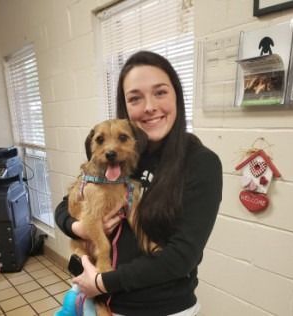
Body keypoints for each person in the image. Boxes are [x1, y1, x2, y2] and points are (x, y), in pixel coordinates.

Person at [55, 51, 222, 316]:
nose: (149, 107)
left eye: (160, 92)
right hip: (100, 299)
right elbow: (65, 207)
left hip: (157, 307)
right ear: (125, 106)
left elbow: (181, 257)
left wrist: (101, 282)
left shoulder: (201, 163)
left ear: (177, 94)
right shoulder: (124, 155)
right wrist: (79, 228)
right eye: (135, 98)